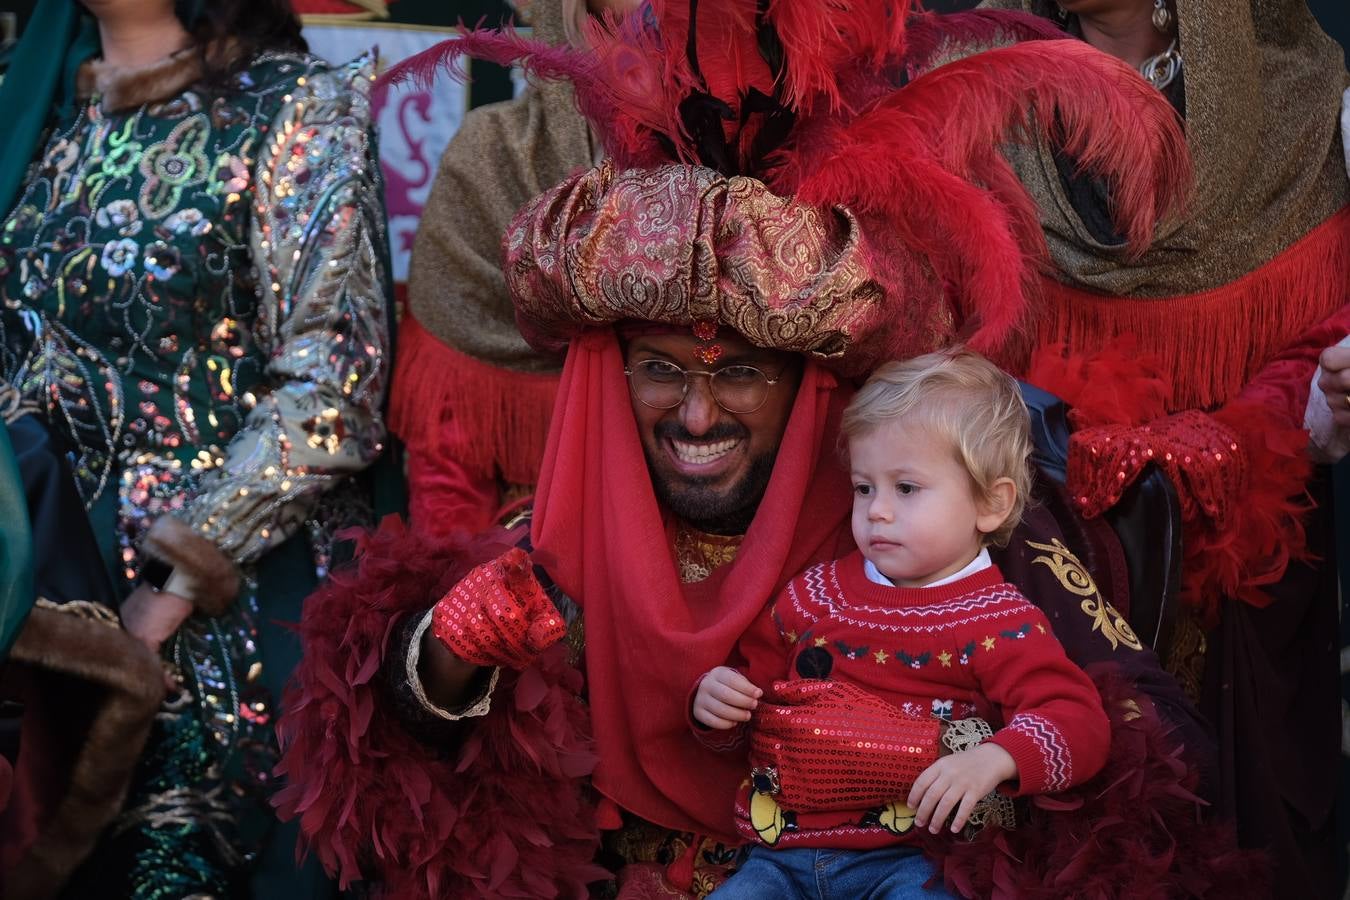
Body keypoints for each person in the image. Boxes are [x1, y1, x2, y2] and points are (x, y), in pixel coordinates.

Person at [277, 4, 1244, 898]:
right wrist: (444, 656)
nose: (696, 417)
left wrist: (966, 751)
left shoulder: (929, 528)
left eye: (740, 373)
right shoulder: (557, 547)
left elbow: (1154, 749)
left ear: (812, 380)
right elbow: (416, 809)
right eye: (660, 370)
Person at [0, 0, 392, 896]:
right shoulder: (39, 120)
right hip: (47, 611)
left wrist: (169, 589)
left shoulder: (296, 108)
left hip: (223, 624)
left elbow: (336, 382)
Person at [971, 0, 1350, 892]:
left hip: (1256, 543)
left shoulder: (1294, 84)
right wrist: (1065, 437)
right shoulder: (979, 76)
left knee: (1249, 819)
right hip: (1051, 533)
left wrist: (1246, 431)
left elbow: (1327, 313)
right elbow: (955, 309)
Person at [694, 351, 1109, 898]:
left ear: (990, 503)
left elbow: (1078, 721)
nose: (877, 511)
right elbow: (755, 701)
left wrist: (998, 757)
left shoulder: (1001, 622)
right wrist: (715, 704)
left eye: (906, 489)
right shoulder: (814, 596)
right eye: (865, 488)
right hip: (780, 856)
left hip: (914, 858)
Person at [391, 0, 638, 537]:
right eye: (607, 23)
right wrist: (456, 596)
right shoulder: (490, 156)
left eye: (666, 25)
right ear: (559, 23)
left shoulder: (743, 173)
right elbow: (448, 449)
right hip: (519, 559)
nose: (633, 50)